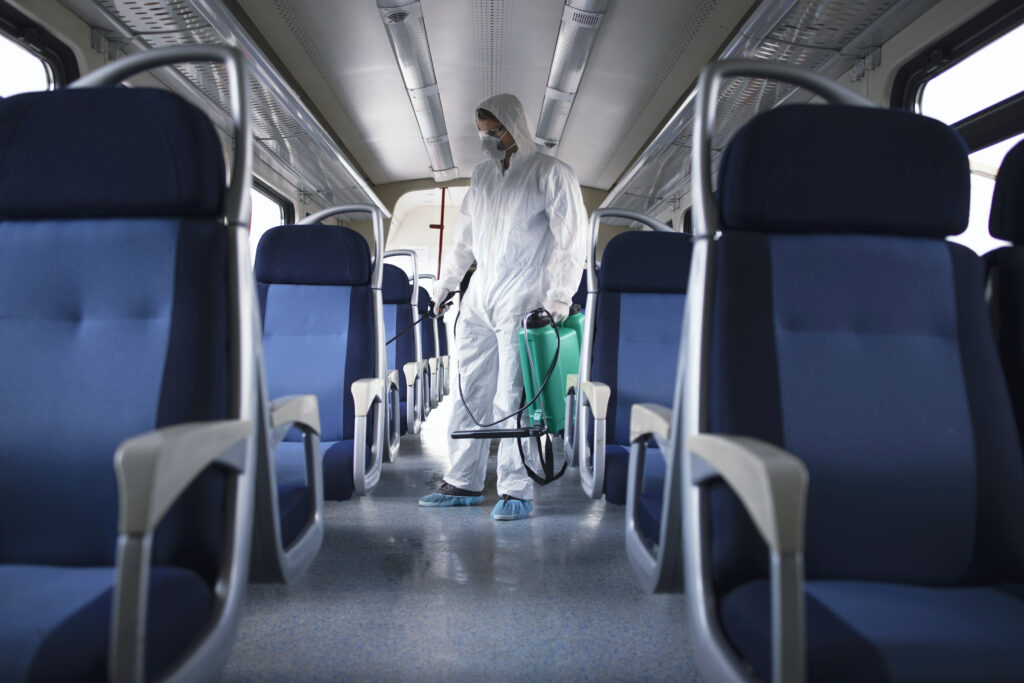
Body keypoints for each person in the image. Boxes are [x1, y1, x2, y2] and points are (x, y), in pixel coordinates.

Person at [418, 93, 587, 521]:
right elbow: (463, 241)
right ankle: (462, 481)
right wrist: (445, 288)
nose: (487, 139)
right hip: (479, 296)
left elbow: (571, 240)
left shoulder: (551, 173)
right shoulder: (482, 176)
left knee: (511, 396)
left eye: (493, 130)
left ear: (515, 126)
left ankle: (515, 489)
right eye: (482, 132)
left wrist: (559, 298)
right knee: (469, 388)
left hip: (524, 295)